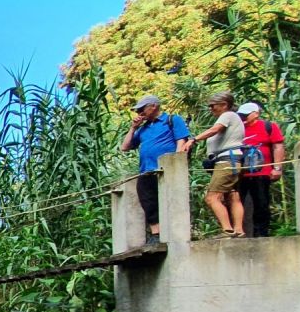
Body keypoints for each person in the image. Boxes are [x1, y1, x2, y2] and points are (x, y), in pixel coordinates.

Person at [121, 94, 190, 245]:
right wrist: (133, 128)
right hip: (146, 170)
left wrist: (175, 164)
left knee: (170, 200)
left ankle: (175, 233)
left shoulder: (172, 120)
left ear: (154, 106)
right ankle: (156, 234)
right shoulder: (143, 129)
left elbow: (181, 141)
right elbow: (125, 147)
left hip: (166, 169)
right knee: (148, 201)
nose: (139, 112)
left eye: (142, 109)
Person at [186, 91, 246, 238]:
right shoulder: (233, 118)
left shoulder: (228, 115)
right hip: (233, 161)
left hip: (226, 162)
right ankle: (238, 230)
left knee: (212, 197)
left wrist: (194, 140)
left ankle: (227, 230)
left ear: (224, 105)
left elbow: (215, 130)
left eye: (213, 106)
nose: (210, 109)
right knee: (233, 197)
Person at [237, 102, 285, 238]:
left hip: (262, 172)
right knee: (236, 202)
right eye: (241, 115)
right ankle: (239, 233)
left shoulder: (268, 126)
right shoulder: (238, 128)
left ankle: (261, 234)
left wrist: (277, 168)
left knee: (261, 204)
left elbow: (278, 146)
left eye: (246, 115)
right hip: (241, 173)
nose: (243, 117)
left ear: (256, 114)